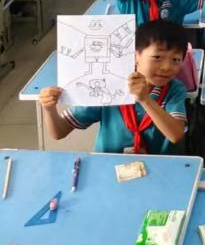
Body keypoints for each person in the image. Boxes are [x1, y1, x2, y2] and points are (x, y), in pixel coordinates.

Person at [39, 19, 188, 154]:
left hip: (161, 166)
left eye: (176, 59)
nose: (166, 67)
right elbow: (58, 132)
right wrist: (49, 109)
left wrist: (145, 99)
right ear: (135, 55)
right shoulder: (108, 85)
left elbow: (175, 135)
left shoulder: (175, 90)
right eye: (157, 57)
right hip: (110, 165)